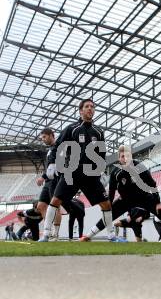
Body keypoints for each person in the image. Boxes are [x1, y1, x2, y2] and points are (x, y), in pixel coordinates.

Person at [39, 98, 121, 242]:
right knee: (55, 200)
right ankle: (46, 234)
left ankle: (111, 235)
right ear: (81, 110)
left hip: (91, 175)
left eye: (92, 107)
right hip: (72, 173)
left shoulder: (99, 132)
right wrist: (52, 163)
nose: (90, 109)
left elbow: (101, 154)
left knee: (106, 204)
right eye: (87, 106)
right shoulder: (72, 129)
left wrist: (101, 170)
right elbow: (56, 146)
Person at [81, 145, 161, 242]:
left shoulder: (139, 166)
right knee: (108, 215)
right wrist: (110, 205)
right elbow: (112, 191)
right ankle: (88, 236)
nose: (125, 159)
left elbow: (152, 183)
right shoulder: (115, 172)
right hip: (125, 200)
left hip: (143, 197)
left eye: (127, 156)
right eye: (122, 156)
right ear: (119, 158)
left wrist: (157, 202)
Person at [36, 128, 63, 241]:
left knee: (55, 206)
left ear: (52, 135)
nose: (43, 140)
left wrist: (43, 177)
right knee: (40, 206)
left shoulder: (58, 147)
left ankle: (55, 234)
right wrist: (44, 176)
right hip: (48, 181)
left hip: (55, 179)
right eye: (42, 138)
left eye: (44, 137)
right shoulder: (50, 149)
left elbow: (56, 165)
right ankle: (49, 230)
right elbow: (49, 167)